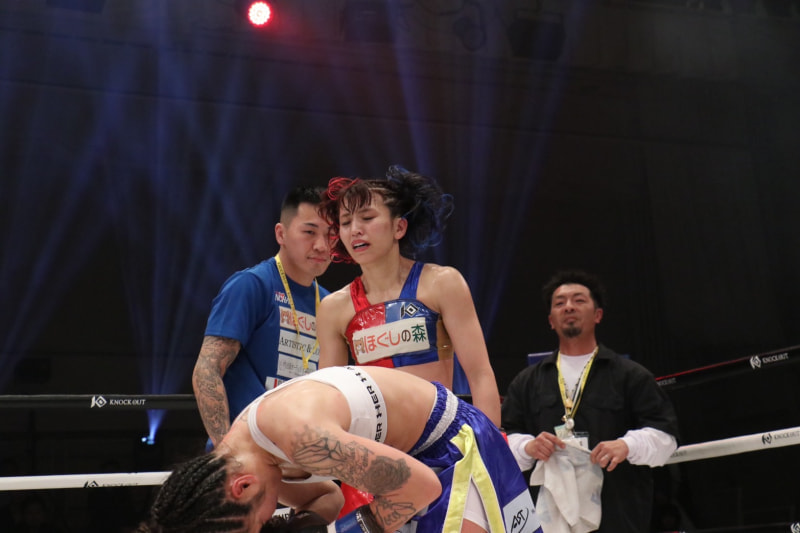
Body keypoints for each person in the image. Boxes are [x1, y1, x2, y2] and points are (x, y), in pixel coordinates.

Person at [137, 365, 541, 533]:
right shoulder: (249, 457)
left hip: (452, 447)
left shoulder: (301, 438)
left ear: (242, 488)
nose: (264, 523)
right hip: (416, 462)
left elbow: (421, 488)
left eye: (257, 525)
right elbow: (326, 498)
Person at [315, 166, 501, 427]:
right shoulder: (333, 308)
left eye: (367, 218)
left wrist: (490, 442)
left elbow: (480, 374)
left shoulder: (442, 283)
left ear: (399, 227)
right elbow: (328, 397)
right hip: (375, 441)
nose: (355, 229)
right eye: (346, 222)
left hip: (440, 437)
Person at [501, 269, 680, 533]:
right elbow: (503, 440)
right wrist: (528, 447)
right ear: (551, 320)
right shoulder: (526, 382)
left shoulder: (631, 376)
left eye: (579, 300)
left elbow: (666, 438)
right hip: (547, 519)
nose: (569, 307)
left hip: (618, 516)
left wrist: (627, 445)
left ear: (598, 315)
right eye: (560, 303)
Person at [193, 185, 332, 447]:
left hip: (302, 452)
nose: (322, 245)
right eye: (309, 232)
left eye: (331, 234)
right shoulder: (252, 285)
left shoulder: (330, 303)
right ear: (281, 233)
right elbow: (207, 369)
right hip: (248, 452)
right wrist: (226, 449)